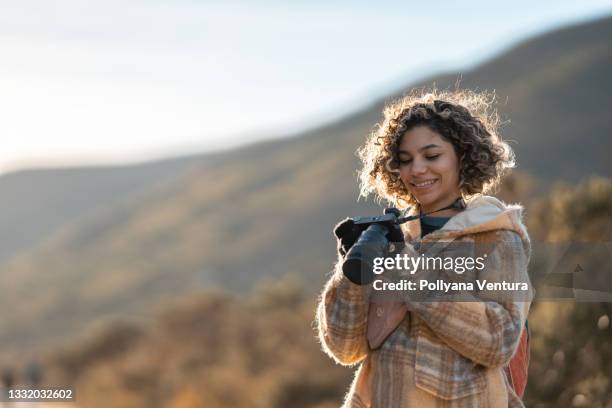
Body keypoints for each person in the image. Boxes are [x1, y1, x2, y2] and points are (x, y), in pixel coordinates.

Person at [315, 89, 533, 407]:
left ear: (464, 157)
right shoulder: (389, 240)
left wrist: (408, 270)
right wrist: (351, 273)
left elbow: (498, 342)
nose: (417, 169)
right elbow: (344, 347)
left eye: (431, 156)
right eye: (405, 160)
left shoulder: (497, 239)